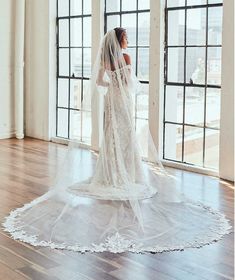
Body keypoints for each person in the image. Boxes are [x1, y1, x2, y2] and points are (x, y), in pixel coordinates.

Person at [2, 28, 232, 253]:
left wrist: (112, 83)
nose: (128, 40)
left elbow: (100, 83)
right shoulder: (126, 57)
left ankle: (110, 172)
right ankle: (127, 173)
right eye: (126, 37)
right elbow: (131, 84)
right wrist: (126, 83)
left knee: (111, 135)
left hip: (111, 100)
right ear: (119, 41)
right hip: (122, 100)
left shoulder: (105, 58)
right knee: (125, 135)